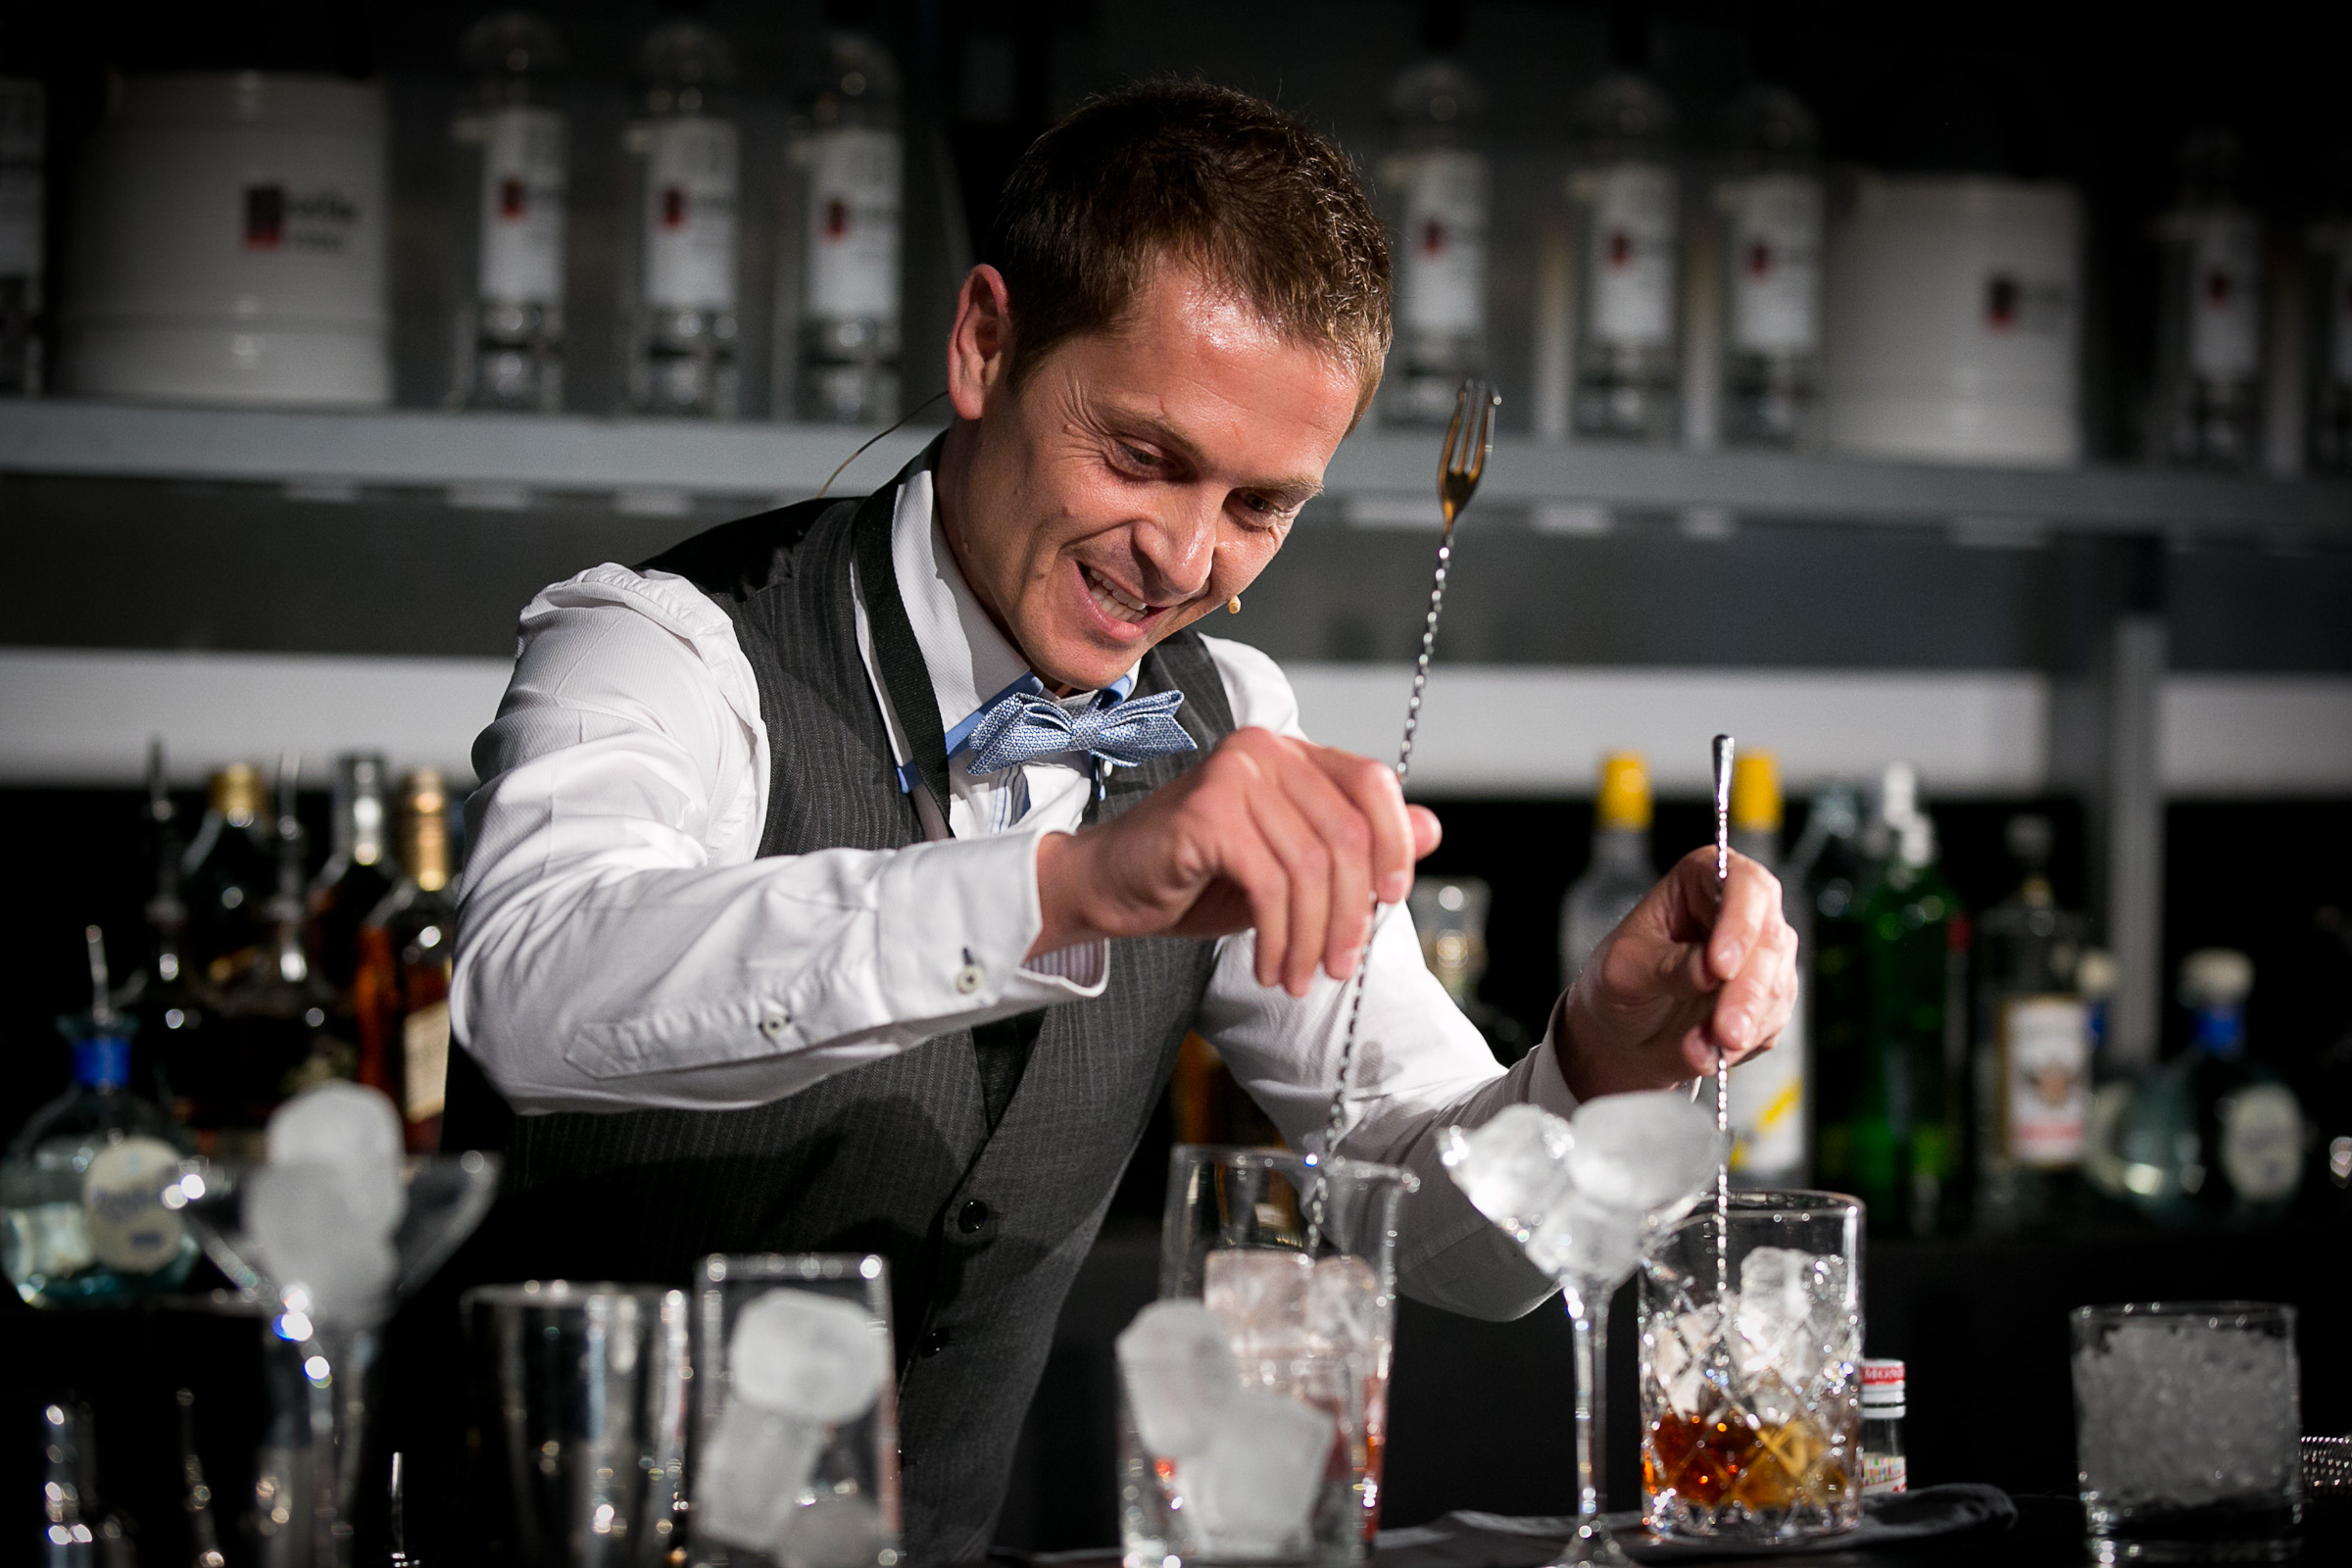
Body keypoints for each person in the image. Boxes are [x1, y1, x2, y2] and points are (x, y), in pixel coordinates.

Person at [447, 80, 1797, 1561]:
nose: (1185, 559)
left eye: (1261, 507)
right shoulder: (666, 645)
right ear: (986, 344)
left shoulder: (1230, 717)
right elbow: (531, 988)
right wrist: (1070, 886)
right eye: (1143, 458)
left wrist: (1601, 1064)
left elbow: (1439, 1223)